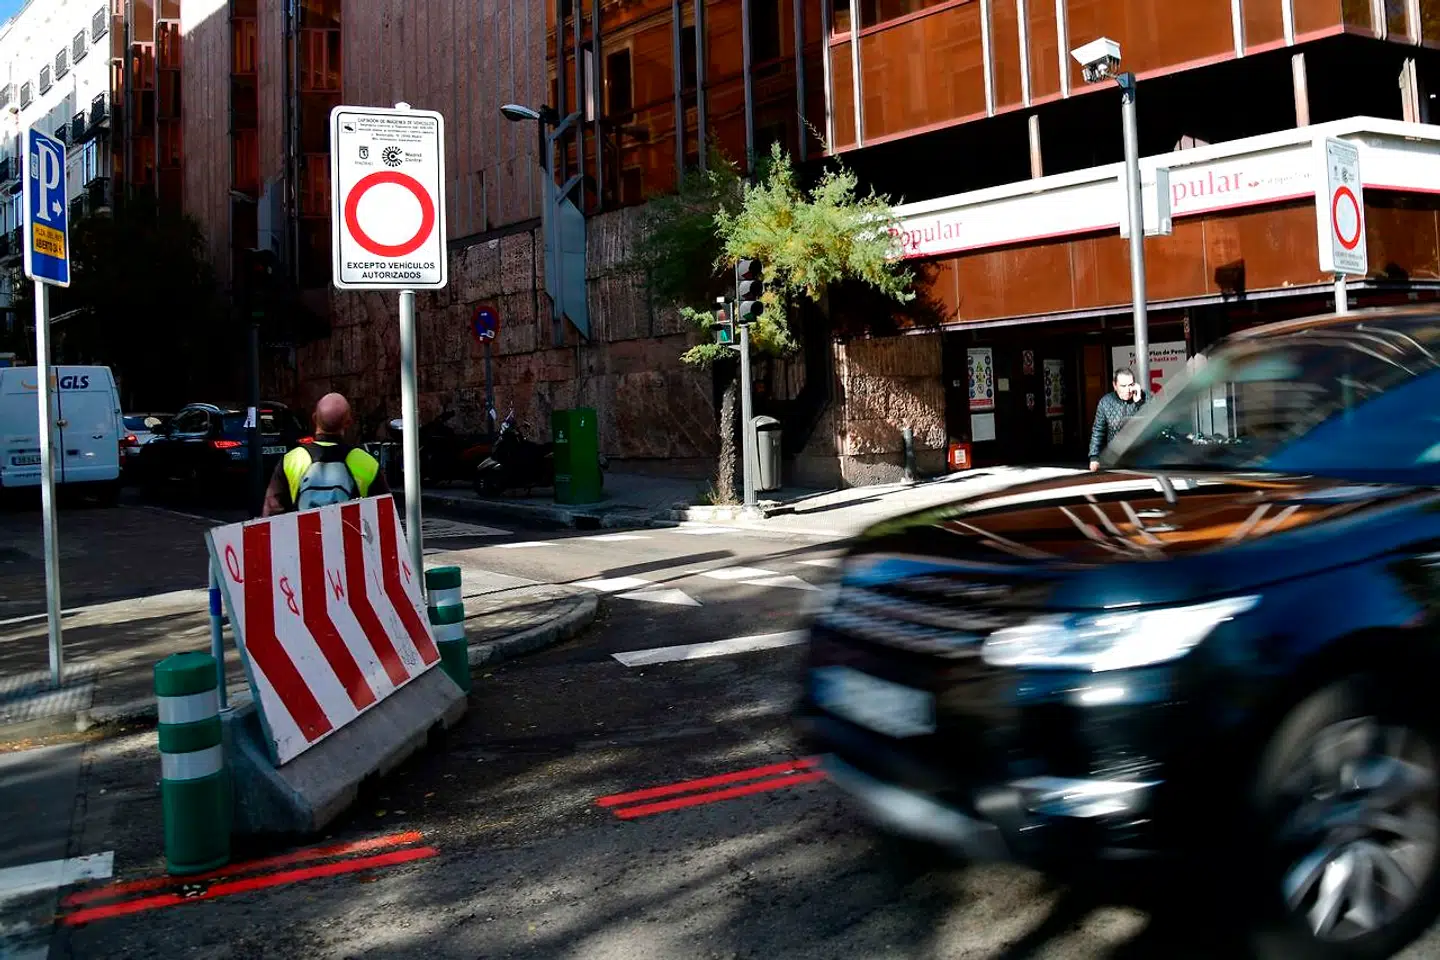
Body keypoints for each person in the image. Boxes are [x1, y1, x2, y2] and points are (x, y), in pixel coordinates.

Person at [262, 392, 389, 515]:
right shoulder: (366, 462)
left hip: (305, 530)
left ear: (314, 418)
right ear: (348, 423)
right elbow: (384, 515)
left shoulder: (291, 460)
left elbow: (272, 513)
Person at [1089, 367, 1145, 471]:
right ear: (1115, 386)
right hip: (1115, 458)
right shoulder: (1105, 402)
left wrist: (1139, 402)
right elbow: (1098, 431)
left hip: (1140, 458)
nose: (1128, 390)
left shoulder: (1144, 398)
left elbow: (1151, 422)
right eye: (1123, 386)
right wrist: (1094, 457)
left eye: (1131, 385)